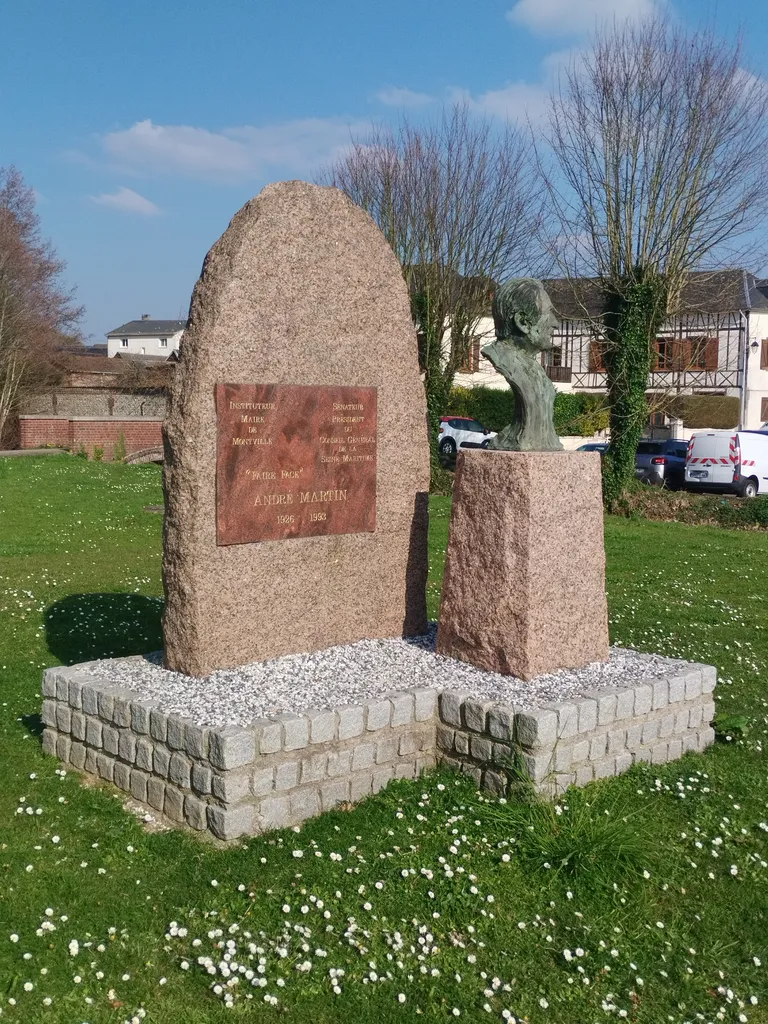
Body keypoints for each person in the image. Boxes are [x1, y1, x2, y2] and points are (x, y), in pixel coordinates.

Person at [482, 278, 563, 452]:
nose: (555, 323)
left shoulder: (538, 373)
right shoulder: (503, 359)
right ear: (523, 322)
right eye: (548, 313)